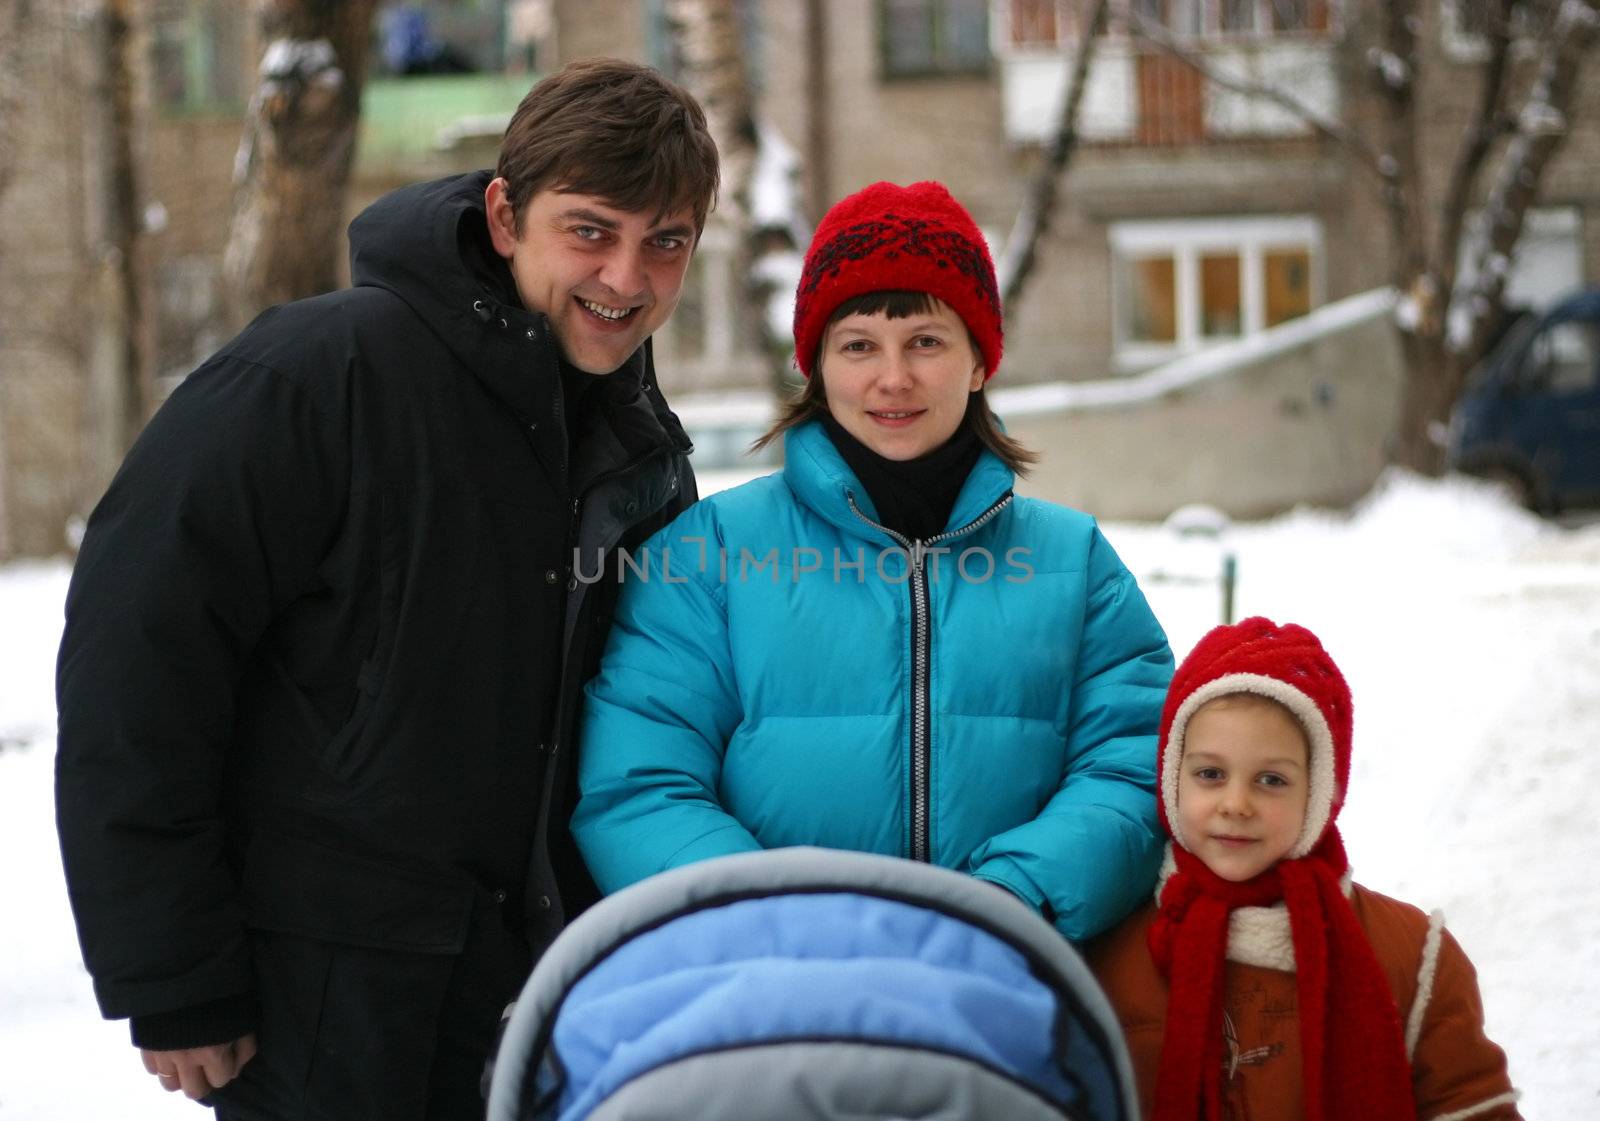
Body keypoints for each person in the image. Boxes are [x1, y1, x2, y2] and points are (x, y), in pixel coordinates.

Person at [55, 58, 717, 1120]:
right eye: (591, 229)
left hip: (550, 1002)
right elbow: (137, 664)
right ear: (505, 216)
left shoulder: (638, 444)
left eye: (666, 241)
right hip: (327, 999)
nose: (628, 276)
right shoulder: (319, 374)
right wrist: (170, 966)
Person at [570, 180, 1174, 941]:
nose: (894, 378)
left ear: (981, 361)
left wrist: (1013, 902)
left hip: (1009, 990)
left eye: (926, 340)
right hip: (770, 1000)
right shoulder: (709, 557)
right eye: (858, 345)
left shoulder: (1073, 563)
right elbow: (639, 784)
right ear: (817, 366)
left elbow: (1132, 764)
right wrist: (775, 922)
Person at [1083, 617, 1521, 1120]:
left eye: (1271, 779)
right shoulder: (1111, 943)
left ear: (1319, 794)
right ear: (1171, 776)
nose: (1236, 803)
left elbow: (1469, 1102)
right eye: (1210, 773)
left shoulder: (1411, 955)